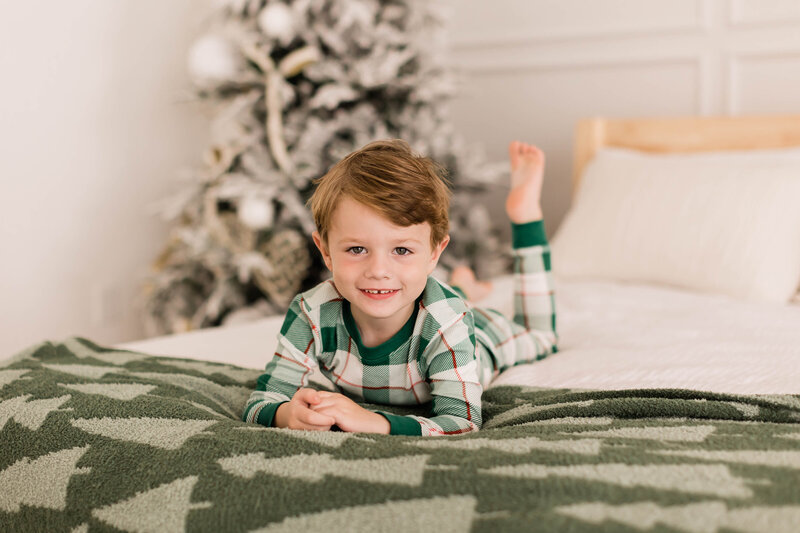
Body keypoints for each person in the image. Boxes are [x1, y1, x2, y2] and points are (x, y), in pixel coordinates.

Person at [242, 139, 558, 436]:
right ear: (325, 251)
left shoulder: (448, 323)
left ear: (435, 252)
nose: (378, 271)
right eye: (356, 250)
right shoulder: (312, 313)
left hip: (478, 340)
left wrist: (373, 421)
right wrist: (286, 414)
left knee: (542, 337)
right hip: (422, 301)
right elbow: (262, 401)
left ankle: (524, 216)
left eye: (401, 251)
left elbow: (460, 422)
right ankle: (462, 283)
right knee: (412, 290)